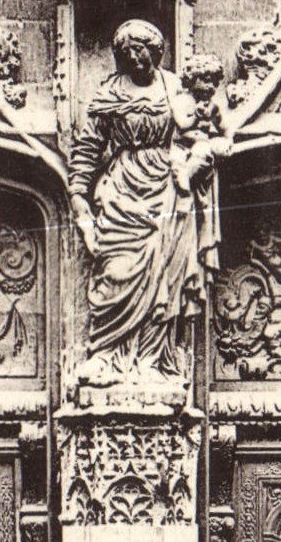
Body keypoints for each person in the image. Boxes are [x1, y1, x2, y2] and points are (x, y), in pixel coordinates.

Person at [68, 20, 222, 382]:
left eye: (142, 50)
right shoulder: (109, 92)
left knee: (163, 277)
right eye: (127, 52)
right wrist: (79, 200)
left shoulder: (174, 87)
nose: (135, 58)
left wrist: (202, 155)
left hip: (168, 186)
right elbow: (88, 147)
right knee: (115, 269)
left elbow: (201, 129)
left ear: (156, 51)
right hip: (122, 188)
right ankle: (105, 353)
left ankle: (151, 361)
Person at [169, 53, 231, 196]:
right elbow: (183, 124)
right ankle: (183, 174)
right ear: (192, 78)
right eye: (207, 81)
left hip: (200, 146)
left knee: (204, 150)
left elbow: (224, 127)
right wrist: (196, 116)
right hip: (180, 145)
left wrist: (227, 136)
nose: (211, 87)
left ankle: (187, 174)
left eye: (215, 83)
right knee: (178, 158)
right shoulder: (182, 101)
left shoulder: (211, 106)